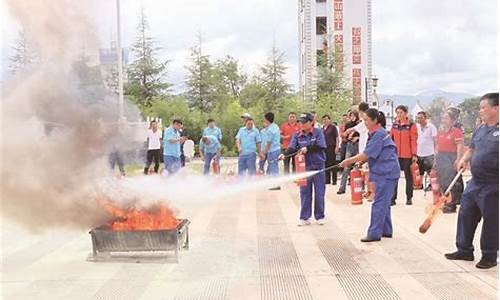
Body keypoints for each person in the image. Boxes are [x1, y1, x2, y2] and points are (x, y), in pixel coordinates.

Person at [445, 92, 499, 269]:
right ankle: (464, 249)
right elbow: (472, 148)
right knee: (465, 213)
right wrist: (464, 159)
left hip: (494, 183)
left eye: (484, 107)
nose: (480, 111)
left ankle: (489, 255)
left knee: (491, 220)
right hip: (475, 181)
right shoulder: (481, 129)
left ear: (496, 108)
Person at [340, 109, 400, 242]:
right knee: (383, 202)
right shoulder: (375, 133)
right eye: (364, 120)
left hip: (387, 172)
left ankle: (374, 233)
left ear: (375, 121)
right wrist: (361, 161)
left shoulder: (379, 134)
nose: (365, 123)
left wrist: (348, 161)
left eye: (367, 120)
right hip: (383, 170)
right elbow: (372, 153)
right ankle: (386, 230)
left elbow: (366, 154)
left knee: (378, 202)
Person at [280, 112, 327, 226]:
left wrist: (308, 148)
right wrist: (284, 155)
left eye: (304, 122)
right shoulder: (297, 135)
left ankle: (319, 216)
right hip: (304, 168)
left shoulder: (318, 132)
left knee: (319, 193)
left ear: (311, 122)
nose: (302, 124)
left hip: (318, 166)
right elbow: (291, 147)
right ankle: (305, 217)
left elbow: (321, 145)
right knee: (304, 193)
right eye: (300, 122)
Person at [435, 110, 464, 213]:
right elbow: (437, 146)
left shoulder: (456, 131)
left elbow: (460, 146)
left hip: (451, 157)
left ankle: (452, 204)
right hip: (441, 157)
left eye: (446, 118)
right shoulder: (441, 131)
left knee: (451, 181)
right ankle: (446, 201)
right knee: (443, 181)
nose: (444, 120)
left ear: (452, 120)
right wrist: (435, 158)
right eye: (443, 118)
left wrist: (458, 158)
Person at [390, 105, 418, 205]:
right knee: (394, 177)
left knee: (408, 177)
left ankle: (409, 198)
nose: (399, 115)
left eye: (401, 112)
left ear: (405, 113)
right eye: (397, 113)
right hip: (396, 155)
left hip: (407, 155)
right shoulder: (394, 125)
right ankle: (392, 198)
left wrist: (414, 154)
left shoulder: (411, 125)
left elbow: (413, 140)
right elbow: (391, 139)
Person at [337, 110, 361, 194]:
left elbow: (364, 135)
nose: (352, 117)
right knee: (346, 166)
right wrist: (348, 137)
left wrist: (357, 138)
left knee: (358, 166)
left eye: (354, 115)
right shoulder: (348, 124)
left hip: (358, 145)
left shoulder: (360, 124)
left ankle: (360, 188)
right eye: (351, 116)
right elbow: (344, 135)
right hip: (350, 145)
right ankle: (342, 188)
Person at [416, 111, 437, 190]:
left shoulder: (431, 127)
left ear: (425, 118)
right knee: (419, 171)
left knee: (430, 171)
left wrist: (436, 152)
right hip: (419, 152)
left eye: (421, 118)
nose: (419, 119)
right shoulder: (416, 127)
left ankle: (431, 185)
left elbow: (435, 140)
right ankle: (419, 185)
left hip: (429, 153)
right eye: (418, 118)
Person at [322, 114, 339, 185]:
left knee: (332, 163)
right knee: (326, 163)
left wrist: (337, 147)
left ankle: (334, 180)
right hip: (325, 148)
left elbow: (337, 137)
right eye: (324, 119)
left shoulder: (333, 127)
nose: (325, 121)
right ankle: (327, 179)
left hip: (332, 147)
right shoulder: (322, 128)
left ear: (329, 120)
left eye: (326, 119)